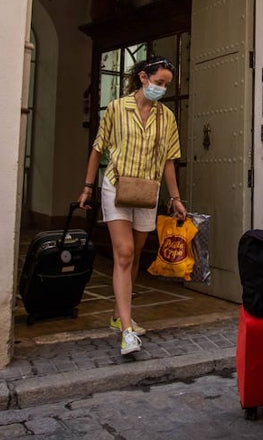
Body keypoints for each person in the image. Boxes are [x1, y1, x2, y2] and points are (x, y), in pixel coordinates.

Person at [77, 56, 186, 355]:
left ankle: (117, 314)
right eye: (159, 82)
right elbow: (98, 148)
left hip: (147, 192)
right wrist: (88, 187)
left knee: (135, 254)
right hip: (116, 185)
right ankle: (127, 330)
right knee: (123, 253)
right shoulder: (117, 108)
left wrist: (175, 198)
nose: (162, 89)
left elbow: (168, 161)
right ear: (143, 77)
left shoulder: (167, 118)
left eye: (166, 85)